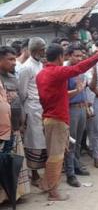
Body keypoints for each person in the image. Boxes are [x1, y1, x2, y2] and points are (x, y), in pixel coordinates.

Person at [36, 43, 98, 201]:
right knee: (56, 157)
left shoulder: (42, 73)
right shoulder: (56, 72)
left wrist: (77, 91)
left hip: (50, 118)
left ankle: (47, 185)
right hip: (57, 119)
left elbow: (61, 95)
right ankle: (53, 192)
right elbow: (78, 69)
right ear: (60, 57)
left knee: (54, 155)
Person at [0, 46, 30, 204]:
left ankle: (15, 194)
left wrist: (22, 120)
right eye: (10, 59)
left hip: (15, 128)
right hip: (2, 130)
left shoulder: (13, 78)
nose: (14, 63)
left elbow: (20, 100)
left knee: (14, 161)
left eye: (14, 59)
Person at [18, 37, 47, 186]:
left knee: (43, 140)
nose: (44, 52)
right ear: (34, 50)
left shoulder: (41, 65)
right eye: (41, 49)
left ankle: (42, 173)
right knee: (33, 141)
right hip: (31, 108)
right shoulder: (26, 67)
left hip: (43, 107)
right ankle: (34, 175)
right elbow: (22, 93)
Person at [64, 45, 91, 188]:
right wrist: (76, 90)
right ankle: (70, 173)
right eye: (76, 56)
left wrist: (86, 108)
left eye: (81, 56)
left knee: (79, 141)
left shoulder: (81, 70)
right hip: (71, 109)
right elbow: (63, 95)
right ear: (68, 55)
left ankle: (77, 166)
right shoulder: (66, 72)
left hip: (81, 108)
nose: (79, 58)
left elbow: (84, 91)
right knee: (71, 142)